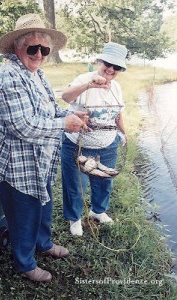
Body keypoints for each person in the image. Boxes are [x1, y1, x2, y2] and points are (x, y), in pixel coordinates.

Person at [0, 14, 88, 282]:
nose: (39, 54)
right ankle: (25, 263)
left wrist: (69, 116)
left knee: (43, 206)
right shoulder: (8, 78)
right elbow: (22, 126)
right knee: (23, 217)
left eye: (44, 49)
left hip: (39, 162)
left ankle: (44, 243)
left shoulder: (37, 74)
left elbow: (49, 110)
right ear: (17, 47)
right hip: (15, 166)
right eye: (33, 48)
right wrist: (65, 124)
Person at [61, 42, 128, 236]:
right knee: (76, 184)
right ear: (100, 61)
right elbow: (65, 96)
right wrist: (89, 85)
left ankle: (98, 211)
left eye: (116, 67)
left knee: (105, 181)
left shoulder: (116, 87)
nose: (111, 69)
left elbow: (118, 114)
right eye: (108, 63)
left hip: (108, 145)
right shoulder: (84, 79)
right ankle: (75, 219)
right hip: (78, 145)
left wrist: (124, 133)